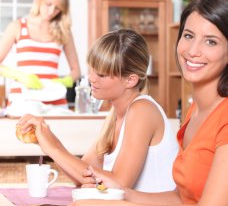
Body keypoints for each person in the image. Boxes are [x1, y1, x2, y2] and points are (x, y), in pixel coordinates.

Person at [64, 0, 228, 206]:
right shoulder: (195, 113)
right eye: (188, 36)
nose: (193, 50)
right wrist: (120, 194)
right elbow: (181, 198)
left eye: (210, 41)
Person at [17, 29, 179, 191]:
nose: (91, 78)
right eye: (91, 69)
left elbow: (119, 184)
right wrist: (47, 139)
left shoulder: (143, 110)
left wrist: (52, 148)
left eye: (101, 74)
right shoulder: (115, 115)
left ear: (130, 80)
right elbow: (81, 176)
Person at [0, 0, 81, 107]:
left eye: (58, 8)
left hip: (54, 98)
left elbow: (76, 70)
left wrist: (63, 81)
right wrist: (20, 76)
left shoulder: (64, 31)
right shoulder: (18, 26)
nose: (51, 11)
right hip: (23, 99)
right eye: (48, 4)